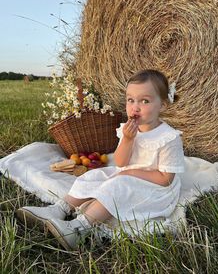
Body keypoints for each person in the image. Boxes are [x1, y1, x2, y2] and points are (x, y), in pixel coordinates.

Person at [16, 69, 185, 251]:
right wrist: (128, 140)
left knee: (116, 188)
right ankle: (60, 209)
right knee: (94, 176)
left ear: (163, 105)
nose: (135, 107)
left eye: (145, 101)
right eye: (130, 100)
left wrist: (129, 174)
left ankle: (78, 228)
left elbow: (165, 179)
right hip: (126, 173)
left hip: (155, 188)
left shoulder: (168, 137)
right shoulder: (129, 130)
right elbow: (120, 162)